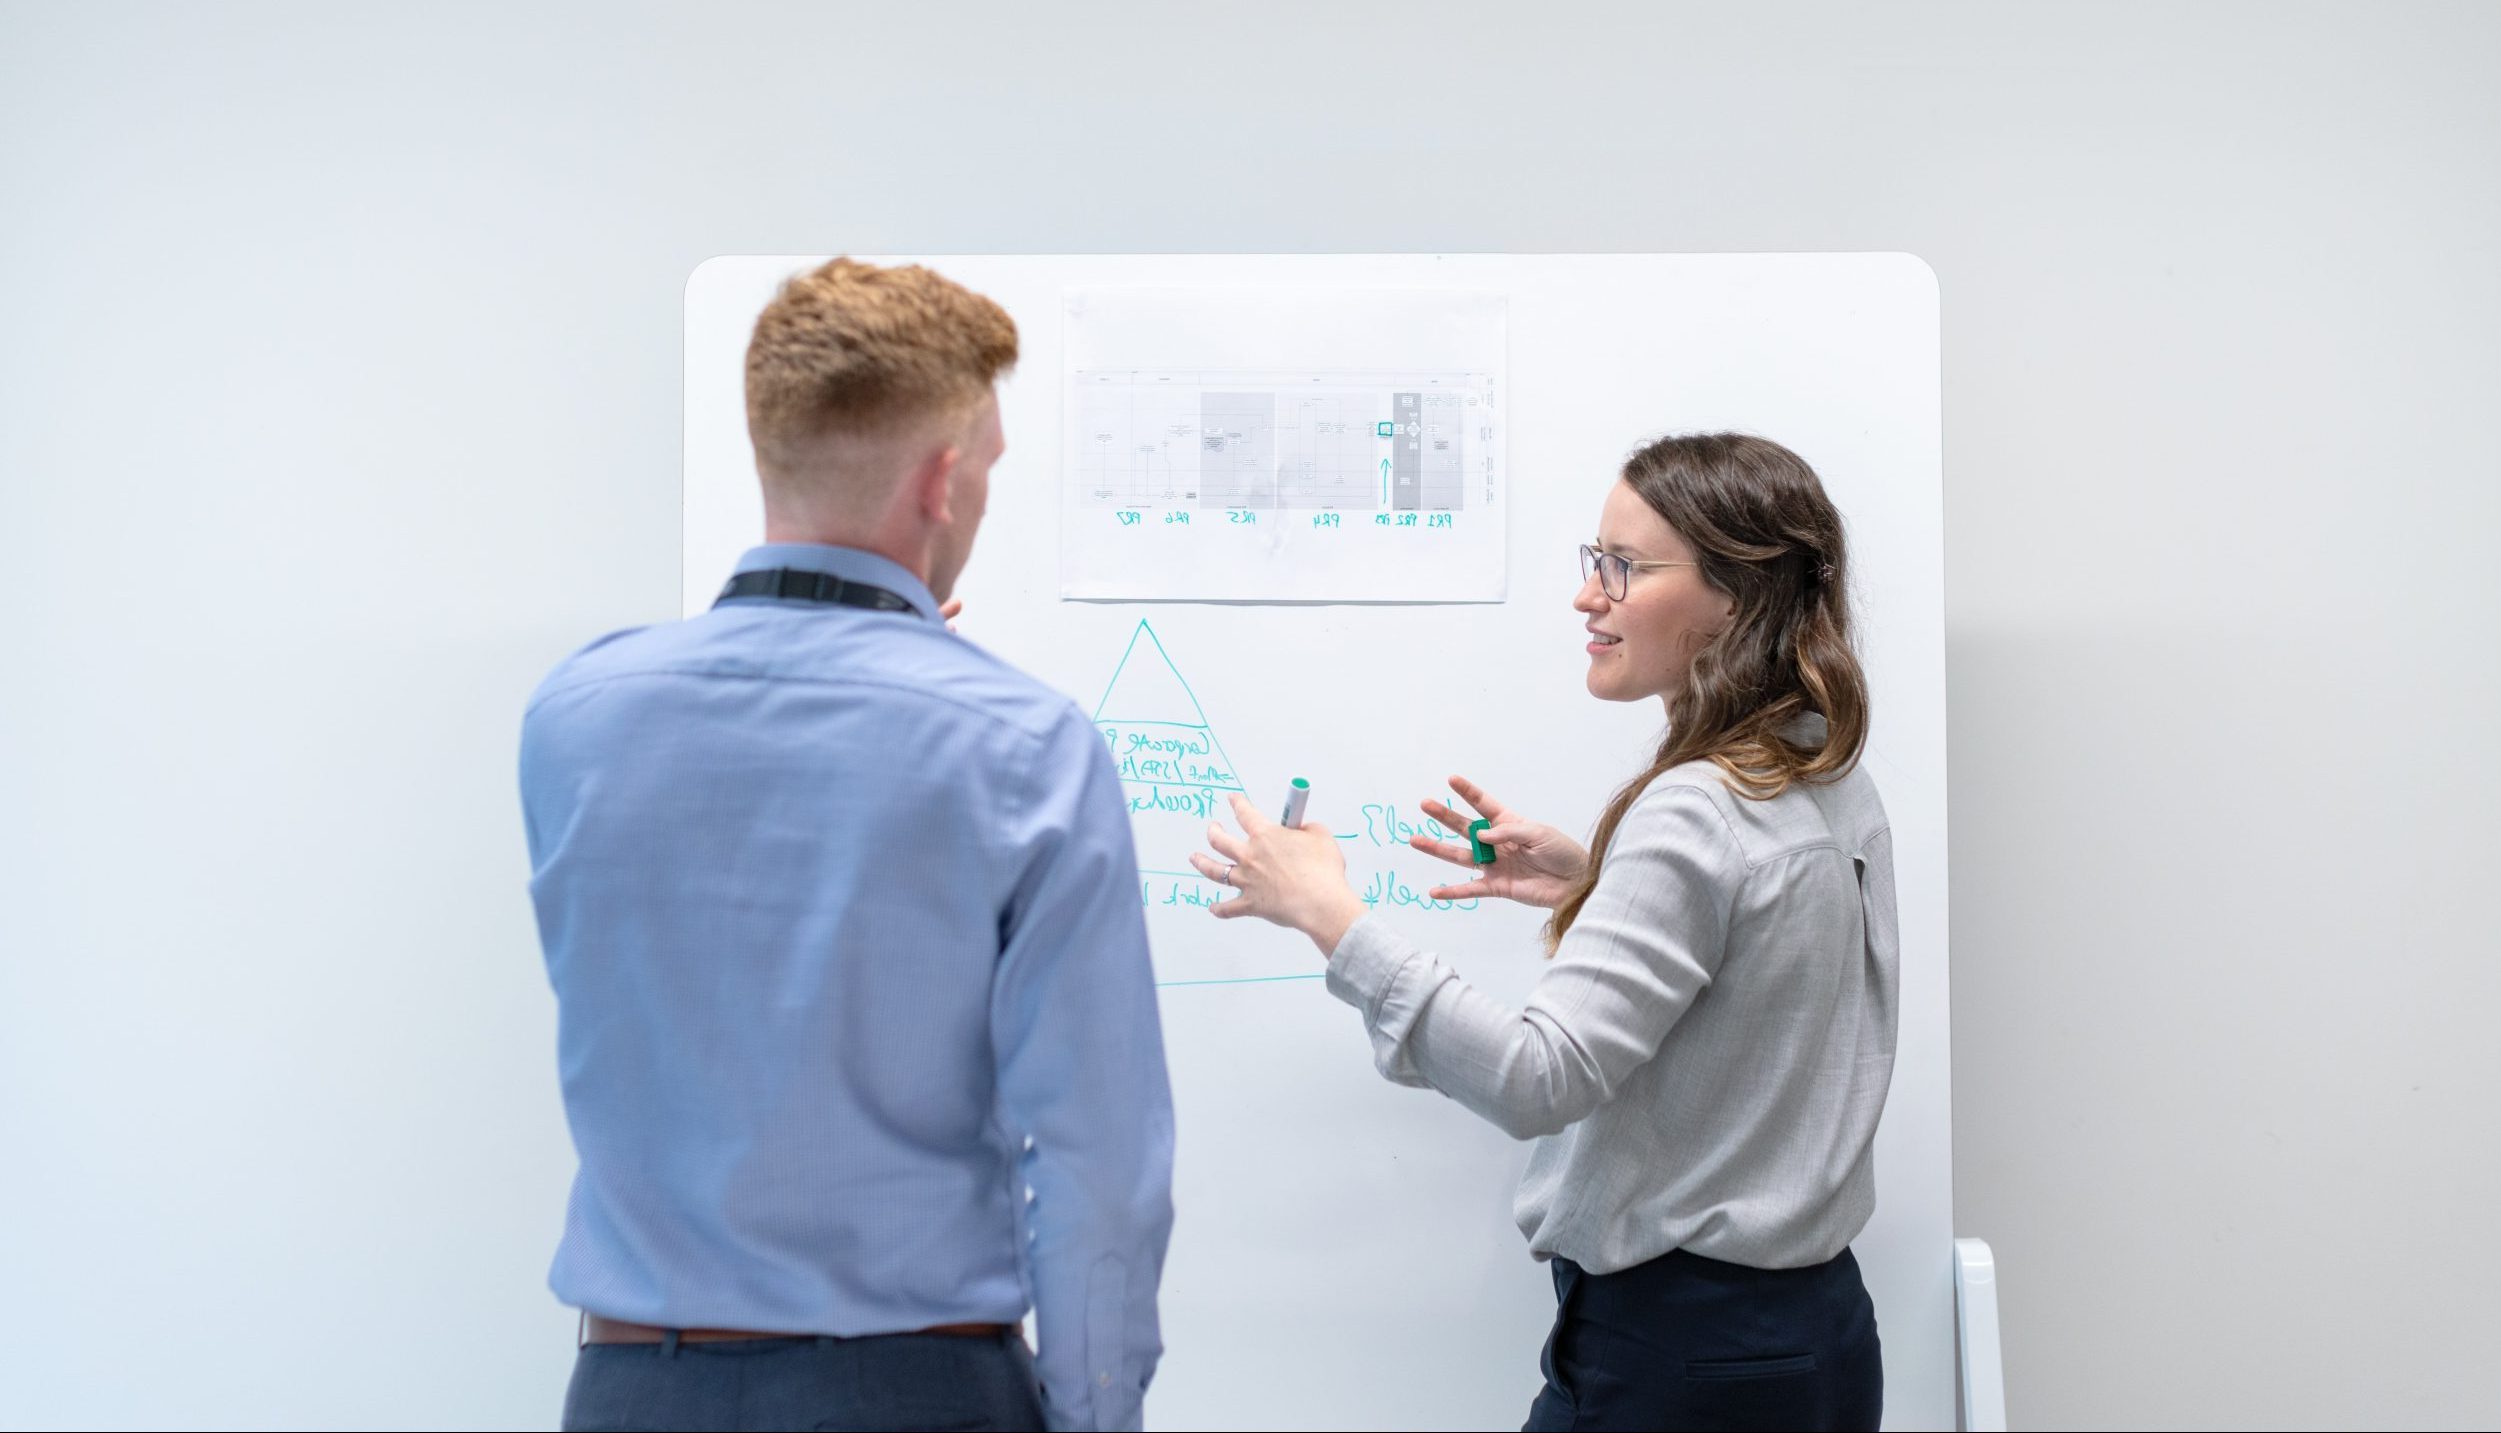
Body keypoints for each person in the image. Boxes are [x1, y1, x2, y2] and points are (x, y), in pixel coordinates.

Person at [519, 259, 1173, 1433]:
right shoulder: (1023, 749)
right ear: (941, 482)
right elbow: (1096, 1168)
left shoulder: (575, 719)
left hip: (629, 1392)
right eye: (987, 472)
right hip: (911, 1392)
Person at [1191, 433, 1895, 1432]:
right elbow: (1770, 966)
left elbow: (1537, 1077)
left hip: (1680, 1361)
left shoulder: (1694, 808)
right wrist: (1601, 881)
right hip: (1814, 1339)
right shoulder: (1819, 770)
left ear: (1735, 597)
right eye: (1592, 559)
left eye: (1626, 566)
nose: (1588, 595)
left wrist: (1329, 916)